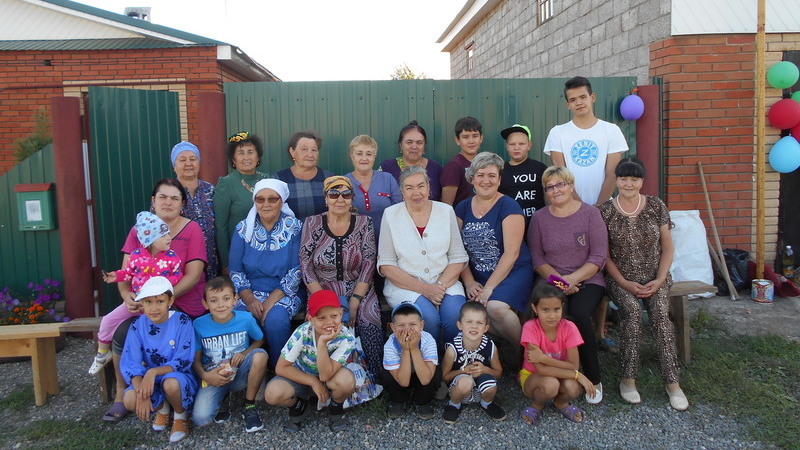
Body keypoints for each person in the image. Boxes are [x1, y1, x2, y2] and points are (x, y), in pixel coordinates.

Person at [102, 178, 208, 423]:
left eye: (174, 198)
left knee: (181, 332)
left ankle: (177, 389)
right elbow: (127, 271)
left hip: (180, 300)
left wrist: (163, 299)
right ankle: (122, 391)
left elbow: (193, 275)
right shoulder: (139, 230)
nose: (168, 202)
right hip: (144, 303)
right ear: (153, 201)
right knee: (122, 332)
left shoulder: (192, 229)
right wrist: (126, 295)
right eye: (163, 197)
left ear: (182, 204)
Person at [599, 158, 688, 411]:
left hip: (655, 278)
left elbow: (667, 248)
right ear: (616, 180)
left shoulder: (656, 206)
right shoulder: (605, 211)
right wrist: (624, 282)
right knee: (632, 313)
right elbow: (604, 256)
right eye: (623, 178)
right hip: (620, 279)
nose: (628, 184)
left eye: (634, 179)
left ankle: (672, 383)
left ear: (642, 181)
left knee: (660, 314)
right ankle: (628, 379)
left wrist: (659, 279)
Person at [527, 166, 608, 404]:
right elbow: (537, 259)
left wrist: (572, 280)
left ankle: (593, 376)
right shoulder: (539, 218)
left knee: (578, 314)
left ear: (571, 186)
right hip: (551, 280)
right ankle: (547, 373)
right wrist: (560, 282)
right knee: (545, 314)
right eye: (550, 187)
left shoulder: (591, 214)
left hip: (588, 280)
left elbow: (599, 257)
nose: (556, 190)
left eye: (560, 184)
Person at [299, 175, 382, 376]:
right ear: (326, 198)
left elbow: (369, 262)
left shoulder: (364, 223)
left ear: (352, 198)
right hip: (322, 287)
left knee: (369, 318)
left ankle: (373, 375)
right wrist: (325, 300)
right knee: (323, 322)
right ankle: (322, 375)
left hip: (358, 284)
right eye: (334, 194)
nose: (340, 199)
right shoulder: (312, 223)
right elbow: (305, 264)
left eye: (346, 194)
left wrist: (355, 300)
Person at [377, 166, 469, 345]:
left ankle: (452, 359)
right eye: (409, 188)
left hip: (445, 283)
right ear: (402, 191)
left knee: (455, 317)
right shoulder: (391, 214)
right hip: (406, 286)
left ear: (428, 187)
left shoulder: (446, 211)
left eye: (420, 186)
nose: (416, 192)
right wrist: (424, 289)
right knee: (428, 320)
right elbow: (387, 265)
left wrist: (439, 286)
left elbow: (458, 258)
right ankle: (430, 360)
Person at [455, 152, 533, 349]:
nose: (486, 180)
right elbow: (457, 251)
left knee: (495, 308)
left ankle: (527, 353)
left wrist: (488, 288)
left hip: (512, 271)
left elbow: (512, 253)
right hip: (477, 275)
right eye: (480, 175)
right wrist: (469, 282)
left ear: (499, 180)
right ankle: (507, 347)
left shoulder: (509, 206)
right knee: (470, 314)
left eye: (492, 175)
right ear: (472, 179)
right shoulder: (462, 208)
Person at [90, 211, 182, 375]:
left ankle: (154, 362)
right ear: (150, 241)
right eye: (163, 235)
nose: (169, 238)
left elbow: (177, 275)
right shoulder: (136, 256)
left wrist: (165, 283)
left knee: (152, 333)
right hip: (137, 302)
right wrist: (115, 276)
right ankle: (102, 353)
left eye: (168, 233)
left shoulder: (172, 258)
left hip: (158, 305)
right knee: (108, 320)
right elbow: (128, 274)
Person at [229, 179, 303, 368]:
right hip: (249, 293)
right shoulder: (243, 229)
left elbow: (296, 271)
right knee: (238, 318)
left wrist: (269, 302)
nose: (266, 204)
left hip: (285, 292)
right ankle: (243, 373)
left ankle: (281, 372)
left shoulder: (295, 227)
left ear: (282, 201)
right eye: (260, 199)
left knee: (276, 320)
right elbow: (236, 270)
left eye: (272, 199)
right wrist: (250, 300)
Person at [264, 290, 357, 433]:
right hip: (302, 376)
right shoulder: (302, 333)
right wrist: (313, 382)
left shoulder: (346, 337)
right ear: (310, 319)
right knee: (273, 393)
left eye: (334, 316)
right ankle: (298, 405)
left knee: (347, 381)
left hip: (330, 378)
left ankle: (336, 406)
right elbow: (281, 368)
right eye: (321, 318)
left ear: (341, 313)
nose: (329, 322)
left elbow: (325, 376)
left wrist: (322, 344)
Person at [119, 277, 198, 443]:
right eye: (148, 302)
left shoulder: (183, 322)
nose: (154, 308)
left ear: (170, 301)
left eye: (160, 301)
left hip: (176, 376)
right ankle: (163, 409)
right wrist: (141, 391)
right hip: (150, 380)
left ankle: (180, 415)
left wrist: (153, 372)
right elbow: (131, 361)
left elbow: (182, 360)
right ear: (142, 303)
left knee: (171, 384)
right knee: (130, 399)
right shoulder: (137, 325)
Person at [192, 276, 268, 432]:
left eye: (226, 299)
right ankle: (224, 396)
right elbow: (195, 357)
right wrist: (205, 376)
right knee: (201, 418)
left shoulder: (245, 319)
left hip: (239, 371)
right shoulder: (199, 324)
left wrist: (244, 353)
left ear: (235, 300)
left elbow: (260, 339)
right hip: (214, 375)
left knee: (260, 355)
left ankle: (249, 404)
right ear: (205, 304)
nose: (220, 305)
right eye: (214, 300)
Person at [542, 76, 628, 206]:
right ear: (567, 105)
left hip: (604, 207)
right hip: (569, 208)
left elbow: (612, 174)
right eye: (573, 100)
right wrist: (581, 209)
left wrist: (599, 207)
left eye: (583, 97)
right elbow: (562, 177)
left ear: (592, 97)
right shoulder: (557, 133)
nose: (579, 103)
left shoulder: (611, 130)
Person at [519, 282, 596, 425]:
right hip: (533, 376)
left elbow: (574, 365)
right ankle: (537, 405)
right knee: (551, 384)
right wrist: (577, 375)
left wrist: (543, 358)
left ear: (562, 306)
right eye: (545, 310)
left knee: (573, 389)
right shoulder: (530, 327)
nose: (552, 316)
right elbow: (541, 369)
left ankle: (560, 403)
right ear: (535, 308)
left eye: (557, 309)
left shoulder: (569, 327)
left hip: (560, 373)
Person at [440, 302, 506, 424]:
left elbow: (498, 373)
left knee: (491, 384)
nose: (474, 326)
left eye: (479, 323)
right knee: (466, 382)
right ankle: (454, 405)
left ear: (486, 328)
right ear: (460, 325)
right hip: (460, 388)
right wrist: (463, 371)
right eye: (469, 322)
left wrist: (485, 370)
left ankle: (486, 403)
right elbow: (444, 376)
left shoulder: (490, 347)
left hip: (480, 390)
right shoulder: (452, 349)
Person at [215, 132, 270, 273]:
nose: (246, 157)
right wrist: (226, 263)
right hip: (239, 253)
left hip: (267, 252)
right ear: (233, 159)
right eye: (241, 153)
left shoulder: (267, 180)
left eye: (250, 152)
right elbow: (221, 226)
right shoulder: (226, 184)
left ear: (257, 157)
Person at [380, 302, 440, 420]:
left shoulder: (428, 340)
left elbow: (426, 379)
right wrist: (406, 350)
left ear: (421, 325)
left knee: (436, 373)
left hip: (421, 375)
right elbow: (403, 382)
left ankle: (423, 401)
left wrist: (414, 348)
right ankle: (398, 401)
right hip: (401, 376)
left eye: (412, 324)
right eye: (401, 325)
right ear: (393, 327)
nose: (407, 329)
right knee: (386, 375)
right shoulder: (390, 345)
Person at [171, 141, 219, 279]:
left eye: (193, 159)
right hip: (180, 262)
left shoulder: (210, 190)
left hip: (212, 261)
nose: (188, 163)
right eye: (182, 160)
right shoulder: (167, 192)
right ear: (174, 166)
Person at [345, 134, 401, 242]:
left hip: (387, 241)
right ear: (352, 156)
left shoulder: (388, 179)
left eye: (369, 154)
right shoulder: (344, 182)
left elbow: (398, 211)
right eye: (359, 153)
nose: (364, 158)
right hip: (353, 243)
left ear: (374, 156)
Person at [498, 124, 547, 230]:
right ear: (507, 146)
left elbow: (549, 195)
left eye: (521, 144)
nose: (517, 147)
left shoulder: (540, 168)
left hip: (537, 224)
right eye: (512, 144)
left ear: (529, 145)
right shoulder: (500, 170)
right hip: (509, 225)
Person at [276, 130, 334, 221]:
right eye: (304, 149)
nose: (310, 155)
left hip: (322, 230)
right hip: (291, 230)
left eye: (314, 150)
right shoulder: (279, 180)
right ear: (292, 151)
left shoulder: (329, 179)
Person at [379, 120, 443, 201]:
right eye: (409, 142)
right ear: (401, 145)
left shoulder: (436, 169)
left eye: (419, 143)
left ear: (424, 146)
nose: (414, 147)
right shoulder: (386, 168)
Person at [441, 116, 483, 206]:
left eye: (475, 136)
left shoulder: (485, 163)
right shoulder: (453, 166)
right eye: (465, 137)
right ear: (457, 140)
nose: (471, 141)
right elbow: (446, 205)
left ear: (481, 138)